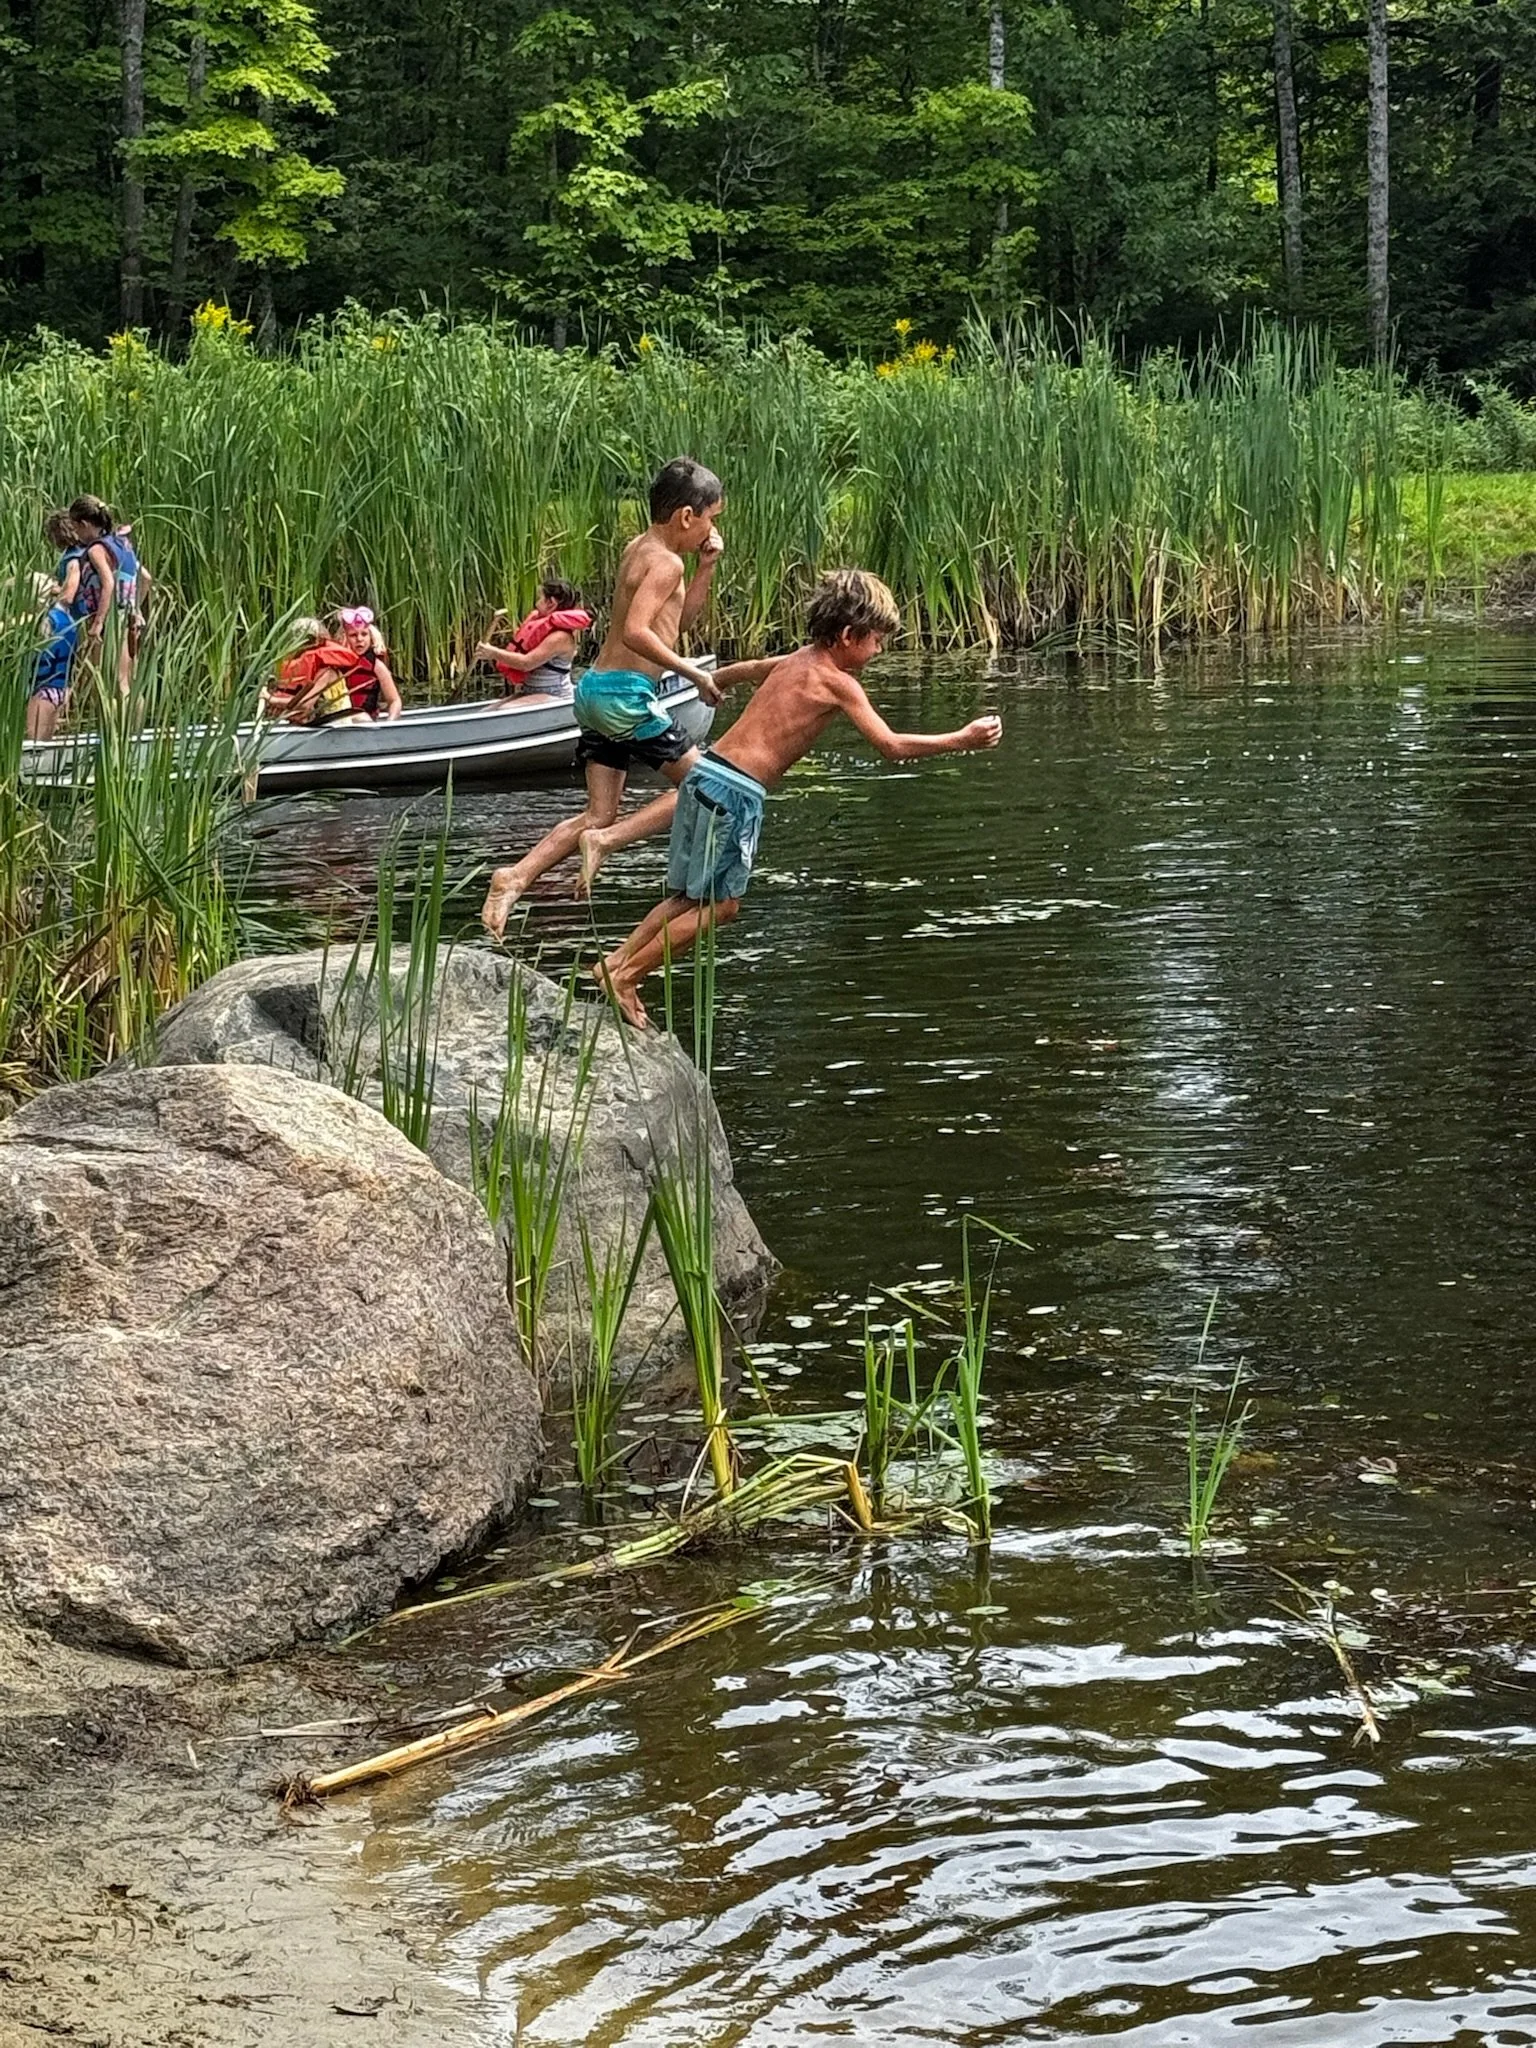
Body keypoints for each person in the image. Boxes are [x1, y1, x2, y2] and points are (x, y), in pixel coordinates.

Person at [593, 569, 1004, 1029]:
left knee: (687, 898)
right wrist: (960, 740)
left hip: (705, 775)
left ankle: (614, 964)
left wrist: (713, 683)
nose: (879, 650)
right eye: (876, 640)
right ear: (849, 636)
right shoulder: (838, 682)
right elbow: (889, 747)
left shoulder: (797, 659)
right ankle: (628, 975)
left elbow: (750, 670)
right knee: (723, 906)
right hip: (736, 792)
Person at [480, 457, 774, 933]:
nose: (711, 528)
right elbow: (638, 633)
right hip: (625, 697)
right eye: (711, 518)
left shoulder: (641, 548)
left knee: (598, 811)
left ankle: (514, 878)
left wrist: (708, 567)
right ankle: (608, 842)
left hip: (595, 690)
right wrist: (694, 676)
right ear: (686, 516)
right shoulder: (665, 562)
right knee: (708, 785)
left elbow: (675, 624)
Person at [473, 576, 591, 700]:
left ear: (551, 603)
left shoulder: (560, 637)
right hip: (530, 691)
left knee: (502, 712)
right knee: (488, 711)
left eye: (540, 598)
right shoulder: (543, 627)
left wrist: (492, 652)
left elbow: (526, 663)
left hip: (554, 694)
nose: (536, 603)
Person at [265, 618, 370, 727]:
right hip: (319, 726)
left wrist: (271, 699)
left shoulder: (326, 672)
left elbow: (305, 705)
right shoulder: (309, 668)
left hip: (335, 728)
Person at [334, 605, 402, 720]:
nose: (359, 639)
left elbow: (394, 701)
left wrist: (390, 723)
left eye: (364, 634)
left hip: (366, 720)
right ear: (344, 637)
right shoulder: (335, 665)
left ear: (371, 637)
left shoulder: (377, 666)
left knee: (362, 717)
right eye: (353, 635)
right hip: (339, 719)